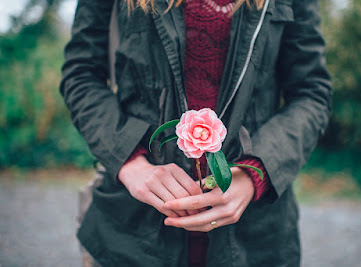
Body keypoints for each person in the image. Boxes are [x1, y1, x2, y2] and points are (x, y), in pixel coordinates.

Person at [60, 0, 332, 265]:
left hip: (255, 235)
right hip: (134, 230)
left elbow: (311, 93)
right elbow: (82, 73)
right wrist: (130, 161)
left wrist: (254, 173)